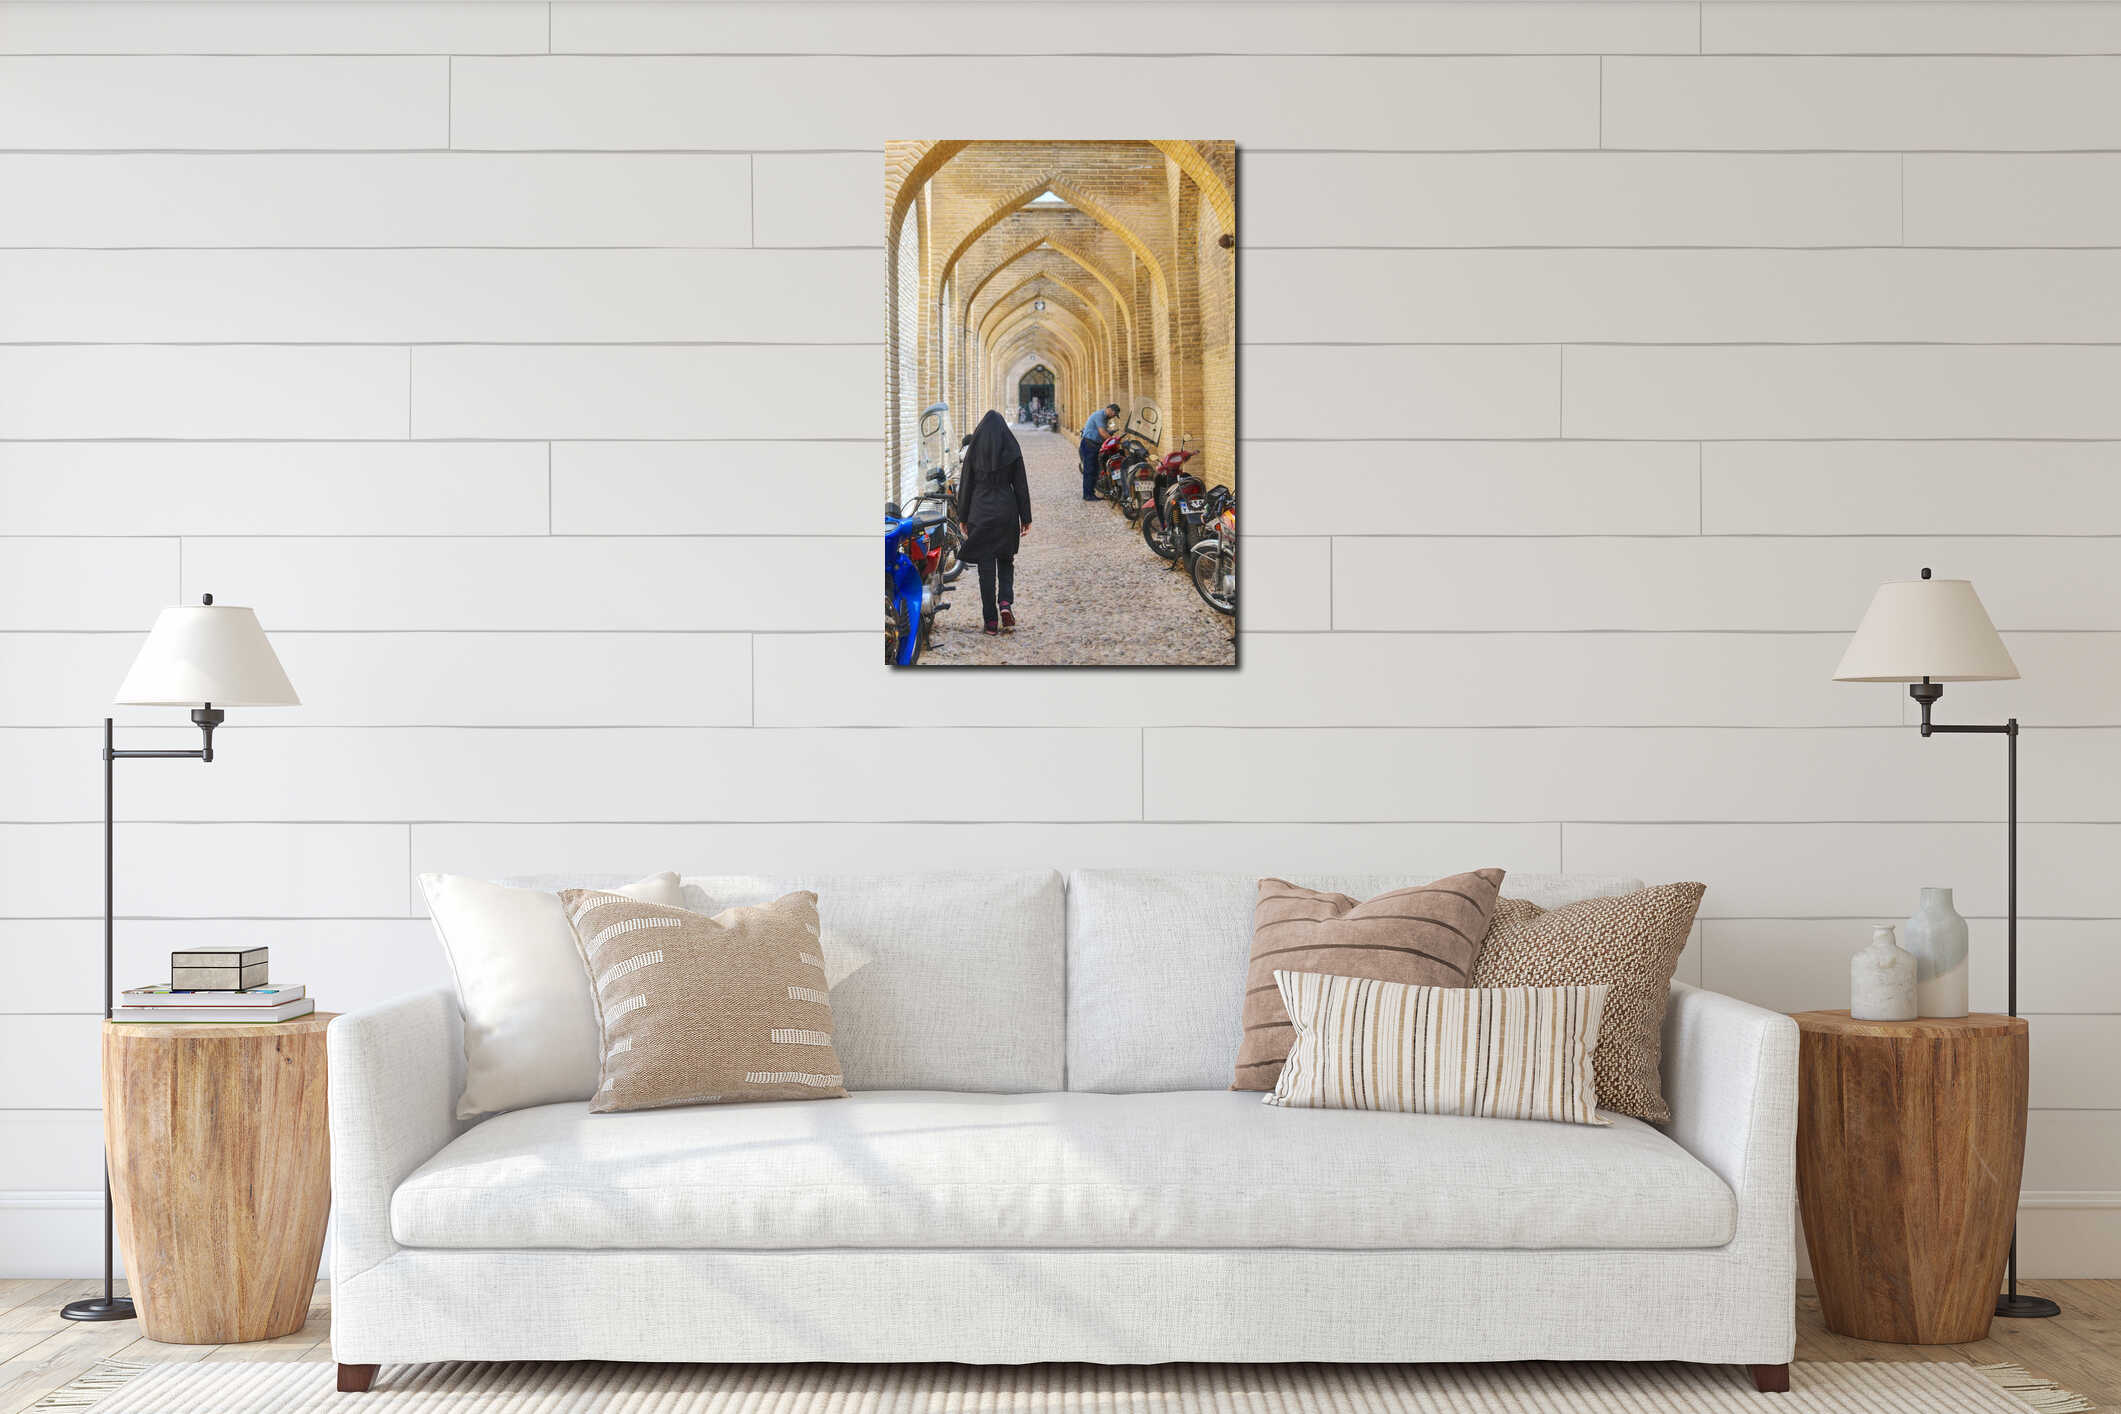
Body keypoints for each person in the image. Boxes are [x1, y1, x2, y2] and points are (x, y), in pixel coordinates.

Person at [954, 410, 1033, 635]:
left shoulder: (974, 451)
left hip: (980, 511)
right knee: (1006, 560)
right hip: (1006, 510)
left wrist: (963, 517)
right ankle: (1005, 602)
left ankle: (990, 622)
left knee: (985, 568)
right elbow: (1020, 485)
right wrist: (1025, 517)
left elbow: (966, 485)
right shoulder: (1012, 448)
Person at [1078, 403, 1119, 501]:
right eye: (1114, 414)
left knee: (1095, 469)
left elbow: (1103, 431)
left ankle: (1091, 492)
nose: (1113, 417)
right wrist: (1114, 441)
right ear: (1109, 410)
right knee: (1089, 470)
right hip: (1089, 445)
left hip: (1094, 445)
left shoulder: (1104, 418)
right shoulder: (1100, 416)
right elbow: (1102, 432)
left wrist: (1110, 433)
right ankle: (1087, 495)